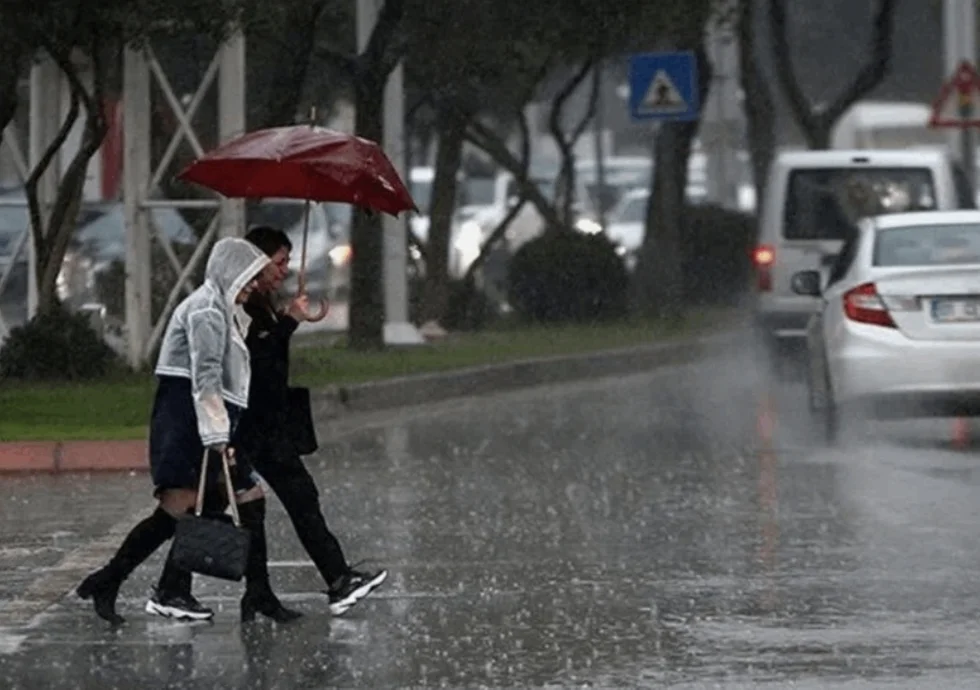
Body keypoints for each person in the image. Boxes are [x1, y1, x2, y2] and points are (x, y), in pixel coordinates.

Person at [76, 237, 294, 625]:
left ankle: (248, 593)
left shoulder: (223, 310)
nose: (252, 287)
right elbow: (206, 378)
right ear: (230, 273)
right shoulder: (206, 311)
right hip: (188, 421)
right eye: (248, 278)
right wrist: (217, 436)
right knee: (179, 510)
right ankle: (124, 581)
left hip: (209, 420)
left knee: (242, 501)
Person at [221, 225, 387, 616]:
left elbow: (266, 350)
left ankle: (258, 593)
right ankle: (337, 579)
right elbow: (255, 362)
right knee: (296, 500)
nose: (284, 270)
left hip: (265, 422)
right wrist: (289, 323)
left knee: (256, 510)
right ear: (256, 263)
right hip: (255, 425)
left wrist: (286, 319)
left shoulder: (259, 303)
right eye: (279, 263)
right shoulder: (242, 305)